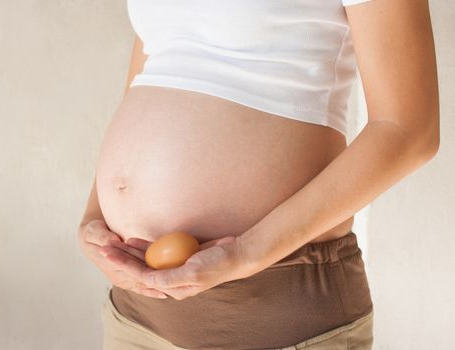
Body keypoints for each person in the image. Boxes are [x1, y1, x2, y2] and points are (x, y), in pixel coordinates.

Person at [77, 0, 439, 349]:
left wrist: (247, 252)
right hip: (136, 313)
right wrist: (96, 216)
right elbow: (153, 70)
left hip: (273, 318)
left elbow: (409, 130)